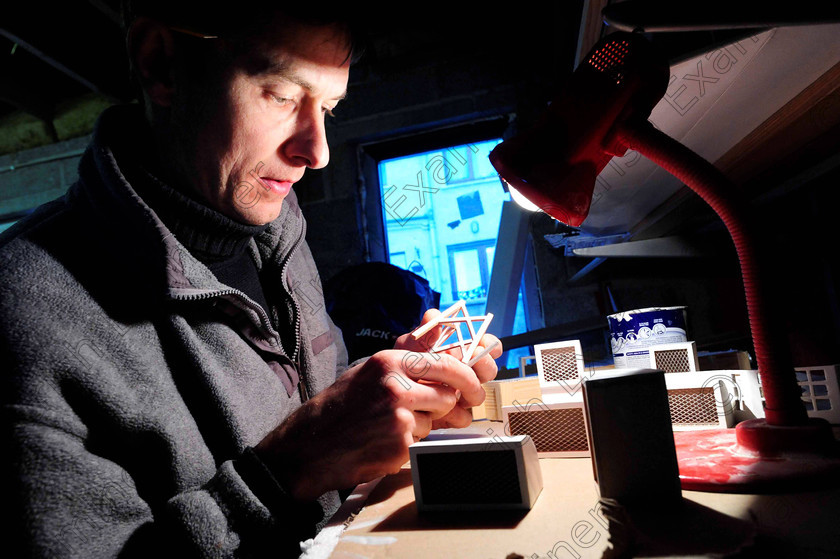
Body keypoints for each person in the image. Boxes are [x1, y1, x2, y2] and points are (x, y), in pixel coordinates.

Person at [0, 3, 501, 557]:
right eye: (283, 95)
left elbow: (315, 400)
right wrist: (286, 472)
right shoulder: (24, 309)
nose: (317, 152)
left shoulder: (277, 236)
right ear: (161, 64)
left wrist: (399, 385)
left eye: (328, 110)